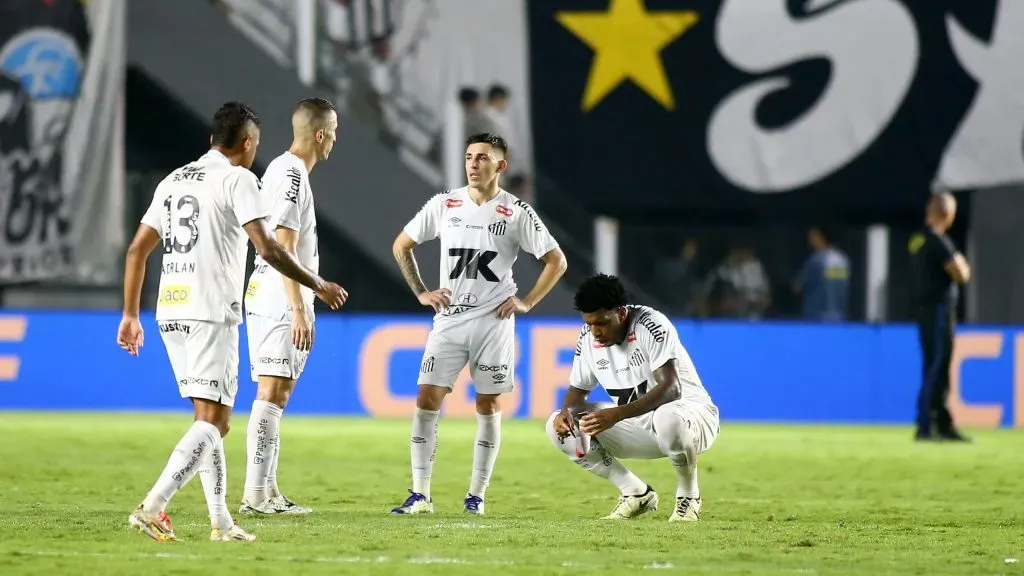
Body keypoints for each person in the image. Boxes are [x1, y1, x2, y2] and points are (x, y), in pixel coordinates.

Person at [116, 102, 348, 542]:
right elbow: (270, 249)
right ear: (246, 143)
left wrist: (130, 314)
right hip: (210, 312)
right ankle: (154, 506)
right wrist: (317, 284)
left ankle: (221, 522)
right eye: (255, 144)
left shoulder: (174, 179)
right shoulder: (238, 179)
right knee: (216, 421)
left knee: (209, 417)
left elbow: (136, 251)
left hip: (169, 309)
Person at [390, 132, 567, 515]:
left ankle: (477, 496)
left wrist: (527, 301)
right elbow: (401, 244)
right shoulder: (445, 204)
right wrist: (422, 291)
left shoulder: (517, 212)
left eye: (483, 158)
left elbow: (557, 260)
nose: (473, 163)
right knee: (426, 398)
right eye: (469, 156)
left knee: (487, 404)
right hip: (450, 320)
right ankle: (420, 494)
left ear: (500, 166)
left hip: (493, 321)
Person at [546, 274, 719, 522]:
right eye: (589, 323)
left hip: (692, 419)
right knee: (557, 427)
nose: (595, 331)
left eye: (602, 323)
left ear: (622, 313)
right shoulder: (587, 337)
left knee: (667, 417)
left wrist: (616, 414)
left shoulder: (651, 324)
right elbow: (577, 393)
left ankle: (689, 497)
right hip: (640, 425)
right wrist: (567, 414)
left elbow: (671, 389)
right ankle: (636, 493)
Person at [240, 98, 338, 515]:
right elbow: (282, 243)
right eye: (333, 131)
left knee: (277, 394)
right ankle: (255, 495)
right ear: (319, 134)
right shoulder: (291, 173)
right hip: (281, 298)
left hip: (276, 294)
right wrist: (299, 306)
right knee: (271, 391)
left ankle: (269, 490)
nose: (335, 138)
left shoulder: (284, 170)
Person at [908, 192, 971, 442]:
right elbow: (961, 274)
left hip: (922, 309)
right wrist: (963, 265)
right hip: (938, 309)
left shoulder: (917, 239)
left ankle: (940, 421)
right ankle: (929, 423)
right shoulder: (938, 241)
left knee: (933, 363)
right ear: (948, 214)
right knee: (938, 364)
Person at [793, 226, 849, 321]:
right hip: (839, 317)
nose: (809, 240)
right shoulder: (842, 259)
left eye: (812, 237)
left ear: (820, 237)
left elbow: (797, 287)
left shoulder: (815, 261)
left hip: (816, 318)